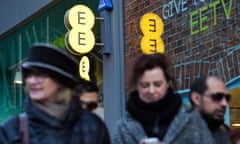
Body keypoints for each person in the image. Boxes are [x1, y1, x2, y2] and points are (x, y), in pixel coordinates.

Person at [0, 43, 110, 144]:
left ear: (61, 81)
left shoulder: (92, 126)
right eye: (29, 75)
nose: (32, 81)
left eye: (41, 75)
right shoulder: (13, 129)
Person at [112, 53, 214, 144]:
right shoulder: (123, 128)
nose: (151, 91)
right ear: (136, 86)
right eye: (144, 85)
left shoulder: (192, 120)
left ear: (167, 84)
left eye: (157, 84)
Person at [189, 75, 231, 144]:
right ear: (196, 98)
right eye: (217, 97)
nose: (225, 103)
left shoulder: (222, 134)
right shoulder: (178, 134)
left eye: (227, 98)